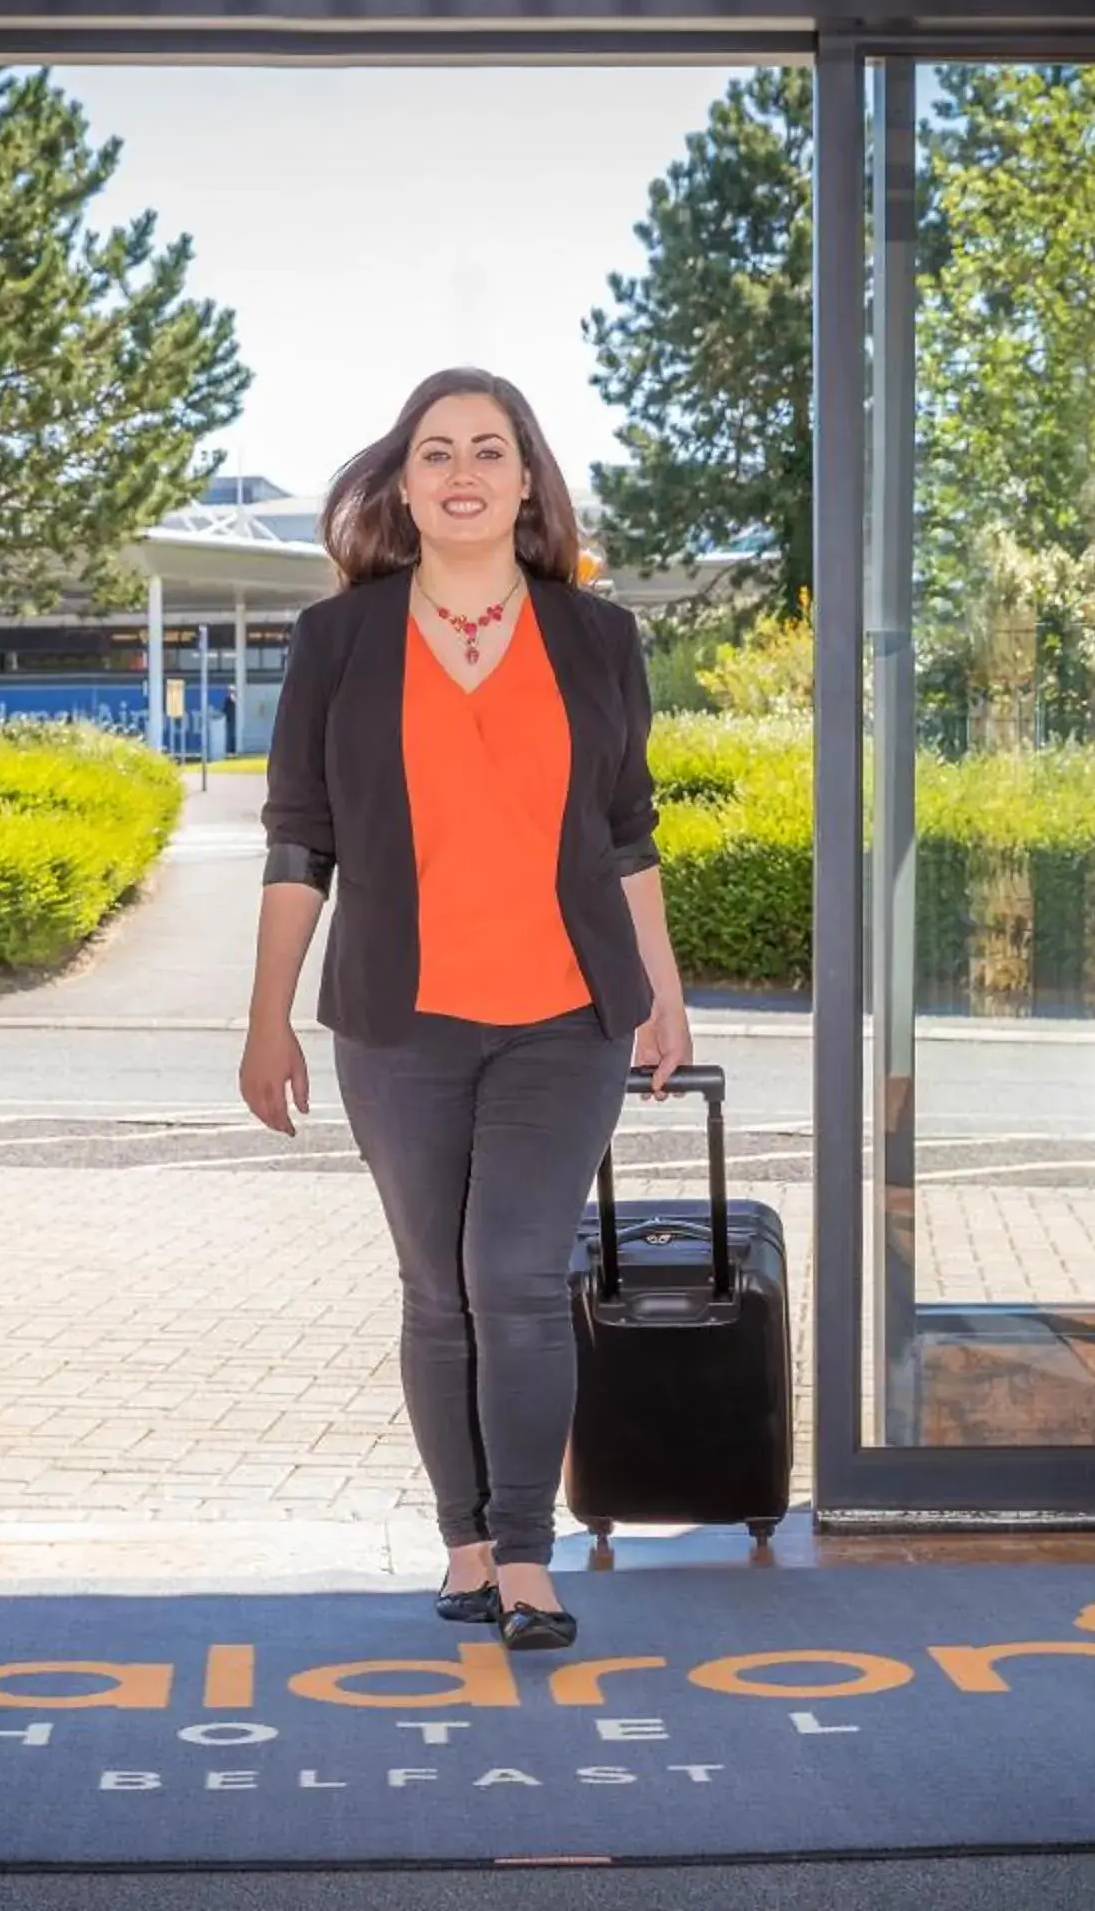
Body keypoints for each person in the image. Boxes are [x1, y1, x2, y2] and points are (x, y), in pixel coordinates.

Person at [239, 367, 692, 1652]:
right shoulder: (340, 640)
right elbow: (296, 840)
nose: (462, 471)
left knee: (515, 1275)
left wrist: (662, 991)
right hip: (399, 1018)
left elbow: (626, 831)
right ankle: (467, 1542)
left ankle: (532, 1561)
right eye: (435, 451)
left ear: (528, 479)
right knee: (437, 1288)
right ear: (403, 483)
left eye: (490, 449)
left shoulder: (598, 637)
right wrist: (268, 1017)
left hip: (567, 1016)